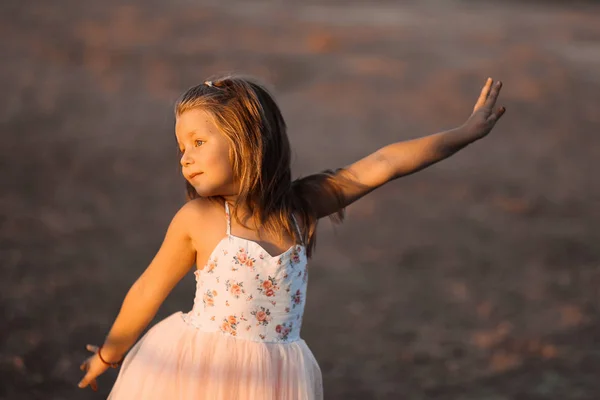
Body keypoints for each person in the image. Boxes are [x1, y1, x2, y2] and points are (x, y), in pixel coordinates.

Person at [78, 76, 505, 399]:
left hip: (274, 380)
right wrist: (109, 355)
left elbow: (385, 163)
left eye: (198, 141)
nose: (186, 157)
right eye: (180, 147)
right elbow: (149, 288)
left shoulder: (301, 207)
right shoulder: (199, 218)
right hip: (196, 373)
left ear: (247, 139)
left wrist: (466, 132)